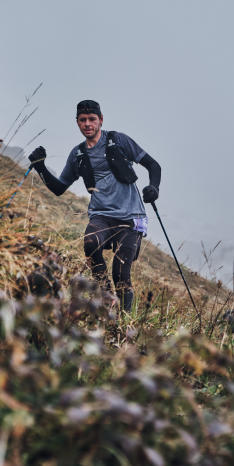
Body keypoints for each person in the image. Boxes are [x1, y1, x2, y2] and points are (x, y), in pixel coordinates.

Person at [27, 100, 161, 312]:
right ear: (77, 123)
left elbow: (153, 165)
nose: (87, 124)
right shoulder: (78, 153)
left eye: (92, 119)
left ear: (101, 120)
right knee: (90, 243)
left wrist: (153, 188)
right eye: (82, 120)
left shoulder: (118, 140)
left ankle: (124, 322)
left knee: (121, 273)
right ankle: (107, 297)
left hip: (131, 217)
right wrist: (40, 167)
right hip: (101, 215)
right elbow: (60, 188)